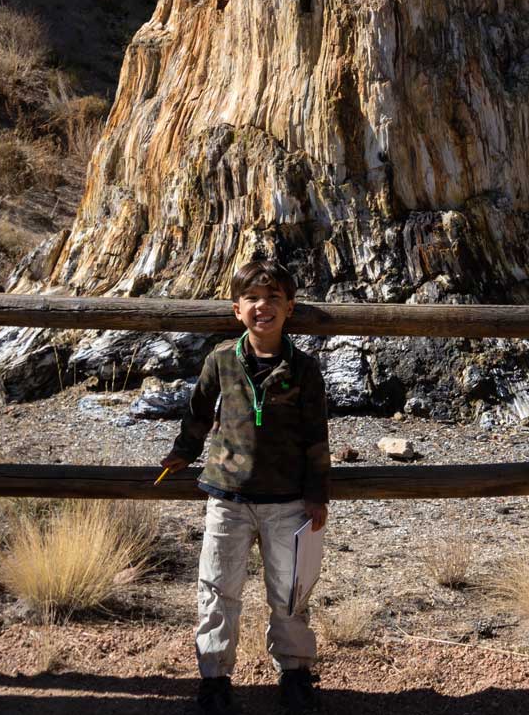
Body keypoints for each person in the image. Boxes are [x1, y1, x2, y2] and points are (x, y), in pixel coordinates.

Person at [160, 259, 330, 715]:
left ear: (290, 308)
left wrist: (317, 494)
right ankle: (214, 679)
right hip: (227, 497)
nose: (263, 307)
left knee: (291, 593)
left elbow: (317, 437)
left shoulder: (304, 369)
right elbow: (197, 411)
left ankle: (295, 672)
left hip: (288, 502)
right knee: (217, 589)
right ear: (237, 309)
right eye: (253, 299)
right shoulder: (221, 360)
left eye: (274, 299)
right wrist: (184, 450)